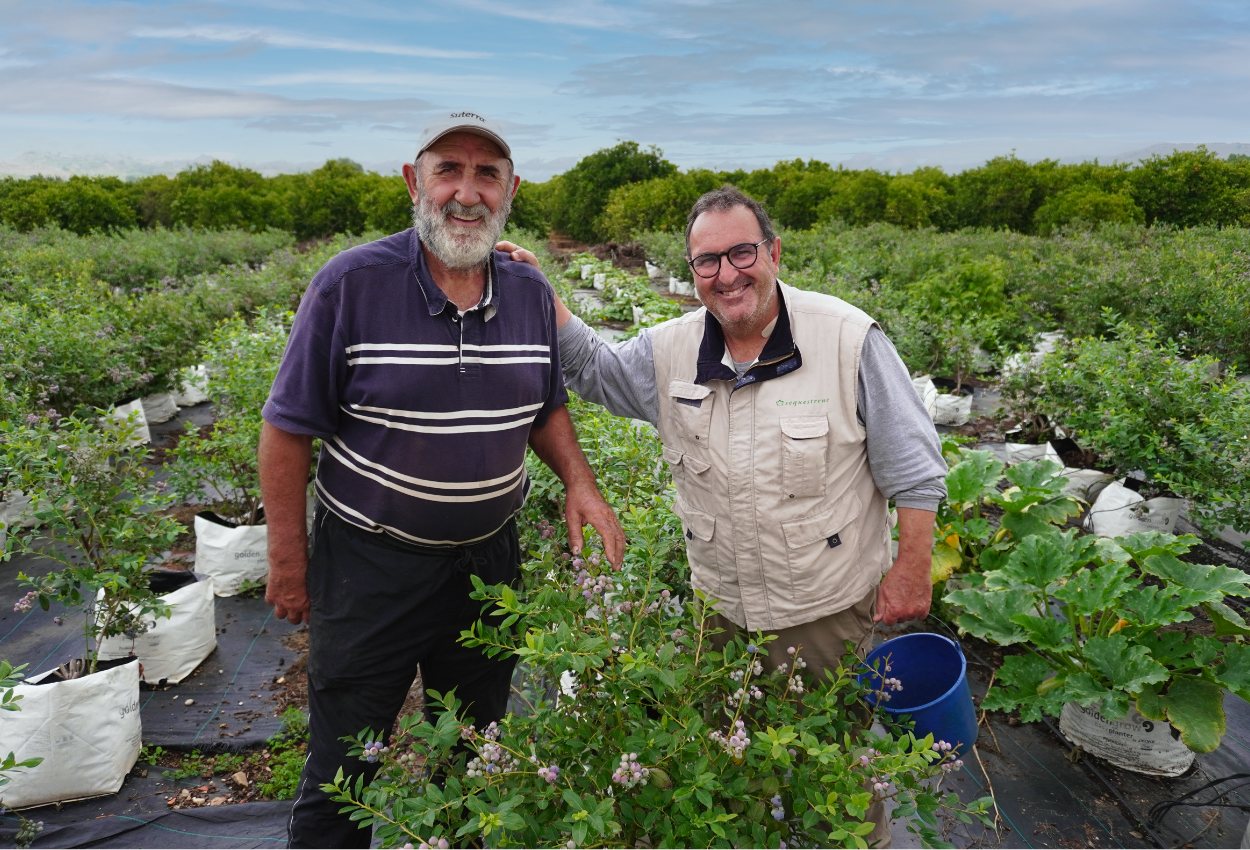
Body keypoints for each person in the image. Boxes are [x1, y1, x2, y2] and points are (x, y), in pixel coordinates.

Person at [502, 185, 946, 846]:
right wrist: (546, 299)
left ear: (772, 252)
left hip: (823, 613)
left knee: (833, 772)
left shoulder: (846, 338)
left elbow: (911, 463)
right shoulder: (672, 349)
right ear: (691, 271)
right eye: (706, 261)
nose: (727, 274)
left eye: (742, 253)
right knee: (732, 766)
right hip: (722, 614)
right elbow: (596, 371)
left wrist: (911, 569)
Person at [258, 111, 625, 849]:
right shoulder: (351, 284)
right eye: (447, 171)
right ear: (412, 183)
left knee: (475, 748)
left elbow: (543, 402)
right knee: (346, 762)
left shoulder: (526, 291)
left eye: (486, 174)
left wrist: (581, 484)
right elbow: (287, 428)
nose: (467, 192)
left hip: (488, 563)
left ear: (511, 191)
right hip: (369, 566)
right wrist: (288, 561)